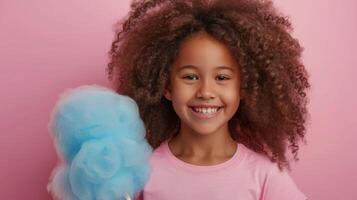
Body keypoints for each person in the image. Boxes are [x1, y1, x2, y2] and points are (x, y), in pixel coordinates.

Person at [106, 0, 310, 199]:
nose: (205, 92)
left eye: (221, 78)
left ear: (243, 88)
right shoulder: (142, 172)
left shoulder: (264, 176)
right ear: (167, 86)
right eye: (190, 77)